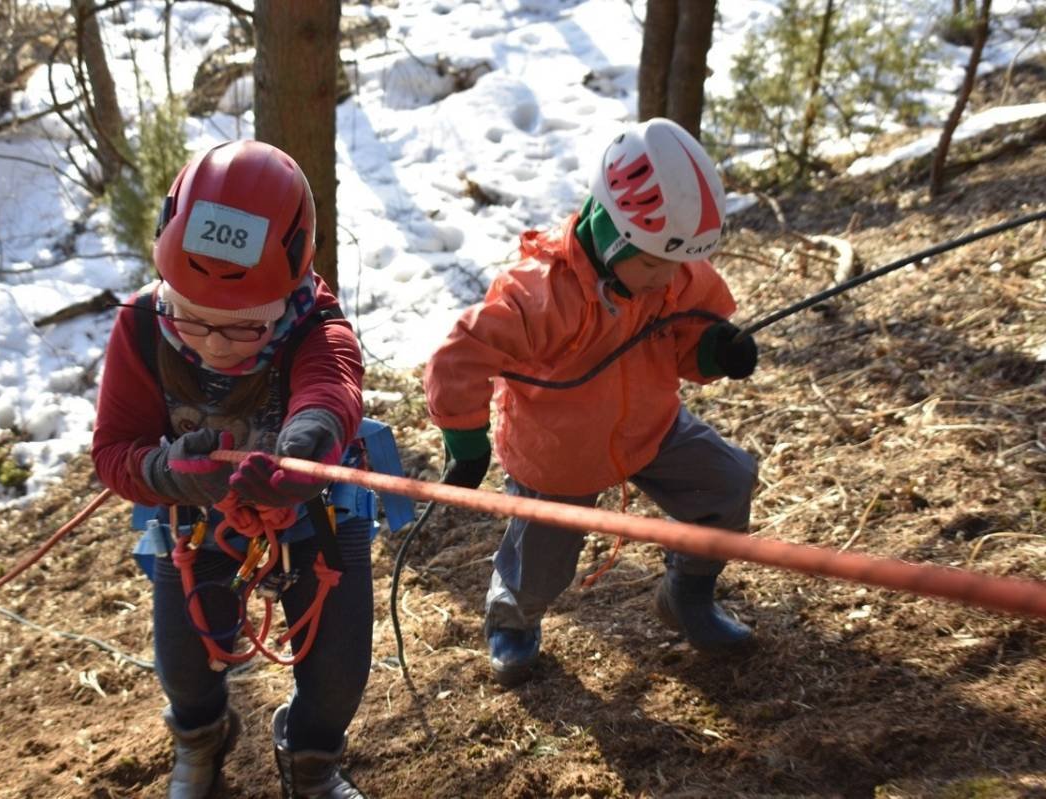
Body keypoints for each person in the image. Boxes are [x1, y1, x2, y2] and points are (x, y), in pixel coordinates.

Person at [423, 118, 760, 688]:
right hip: (559, 454)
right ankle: (514, 617)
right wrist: (465, 438)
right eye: (655, 264)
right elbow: (462, 355)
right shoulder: (540, 295)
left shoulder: (671, 275)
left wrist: (714, 352)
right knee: (541, 562)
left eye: (677, 266)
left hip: (651, 428)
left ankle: (688, 595)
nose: (668, 280)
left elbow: (689, 341)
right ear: (612, 235)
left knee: (726, 486)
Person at [92, 140, 370, 798]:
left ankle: (312, 758)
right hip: (195, 521)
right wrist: (172, 472)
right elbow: (114, 451)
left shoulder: (315, 325)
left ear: (294, 284)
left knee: (338, 672)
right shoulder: (141, 330)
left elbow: (330, 393)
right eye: (189, 317)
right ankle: (200, 735)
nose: (213, 343)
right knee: (183, 666)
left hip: (314, 514)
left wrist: (303, 454)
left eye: (244, 327)